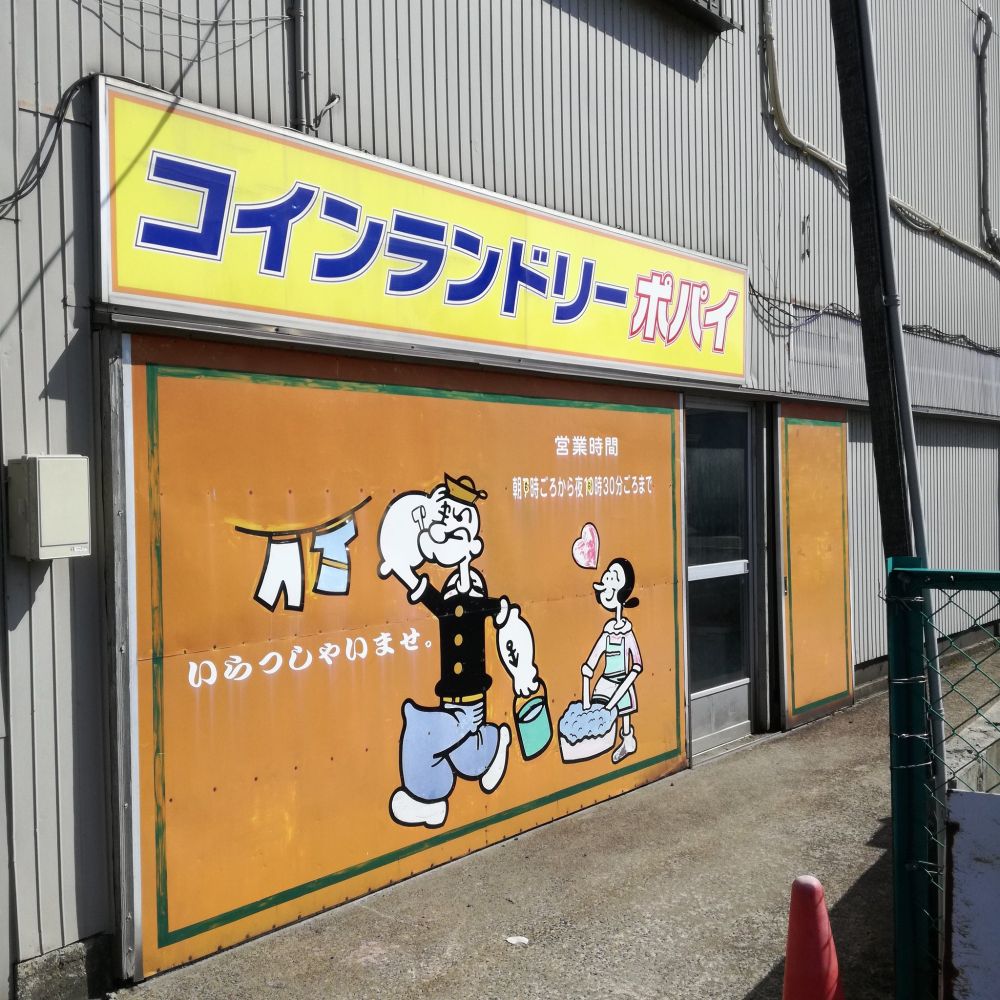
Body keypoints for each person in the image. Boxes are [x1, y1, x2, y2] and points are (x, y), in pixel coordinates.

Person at [379, 474, 538, 828]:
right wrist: (402, 569)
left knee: (421, 730)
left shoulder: (479, 605)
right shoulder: (449, 607)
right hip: (452, 699)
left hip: (470, 701)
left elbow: (505, 621)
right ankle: (494, 743)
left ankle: (426, 799)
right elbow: (429, 594)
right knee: (467, 758)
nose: (458, 592)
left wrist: (522, 670)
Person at [582, 557, 643, 764]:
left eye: (614, 577)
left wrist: (626, 682)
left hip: (621, 681)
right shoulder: (607, 630)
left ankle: (627, 739)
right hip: (605, 681)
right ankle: (601, 742)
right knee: (599, 713)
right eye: (608, 574)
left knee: (622, 712)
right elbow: (596, 654)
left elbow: (637, 663)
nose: (607, 578)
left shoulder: (627, 632)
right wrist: (588, 668)